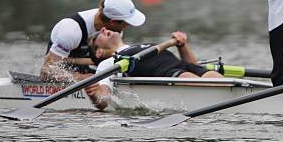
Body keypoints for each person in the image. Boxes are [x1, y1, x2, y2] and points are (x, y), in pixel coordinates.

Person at [85, 29, 224, 110]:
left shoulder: (139, 45)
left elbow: (194, 64)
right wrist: (94, 95)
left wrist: (182, 45)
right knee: (211, 85)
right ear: (99, 52)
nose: (103, 29)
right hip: (167, 74)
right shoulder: (109, 62)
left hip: (185, 66)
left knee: (221, 81)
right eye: (98, 34)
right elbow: (103, 97)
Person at [41, 0, 146, 82]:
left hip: (89, 71)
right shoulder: (70, 31)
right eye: (126, 23)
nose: (127, 26)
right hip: (63, 75)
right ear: (112, 22)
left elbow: (107, 59)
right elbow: (46, 72)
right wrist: (84, 78)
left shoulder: (115, 30)